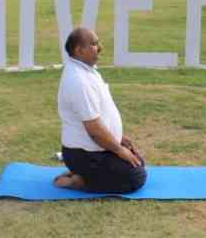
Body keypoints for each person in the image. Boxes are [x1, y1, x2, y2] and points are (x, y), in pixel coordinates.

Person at [53, 27, 147, 193]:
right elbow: (94, 130)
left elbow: (101, 113)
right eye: (94, 44)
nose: (100, 47)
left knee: (138, 162)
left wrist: (119, 137)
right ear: (79, 50)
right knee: (136, 177)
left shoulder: (87, 71)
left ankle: (83, 173)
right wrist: (119, 150)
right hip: (83, 154)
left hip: (94, 149)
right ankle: (78, 181)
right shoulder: (78, 81)